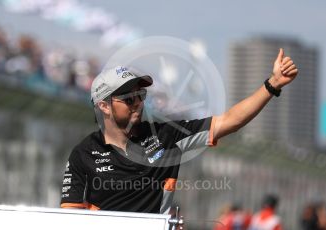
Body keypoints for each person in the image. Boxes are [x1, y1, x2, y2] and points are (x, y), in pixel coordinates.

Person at [60, 49, 298, 214]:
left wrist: (272, 85)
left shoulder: (165, 135)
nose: (138, 103)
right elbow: (69, 218)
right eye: (129, 98)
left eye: (141, 96)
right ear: (104, 106)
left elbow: (228, 121)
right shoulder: (82, 153)